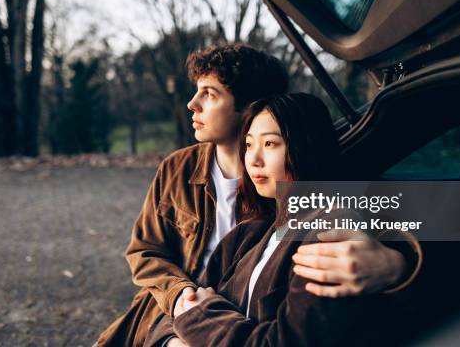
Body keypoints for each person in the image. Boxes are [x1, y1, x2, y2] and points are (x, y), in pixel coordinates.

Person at [94, 45, 421, 347]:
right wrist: (180, 311)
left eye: (209, 94)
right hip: (174, 308)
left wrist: (399, 265)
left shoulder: (319, 211)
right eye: (251, 145)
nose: (192, 104)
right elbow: (145, 251)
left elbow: (459, 213)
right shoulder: (189, 178)